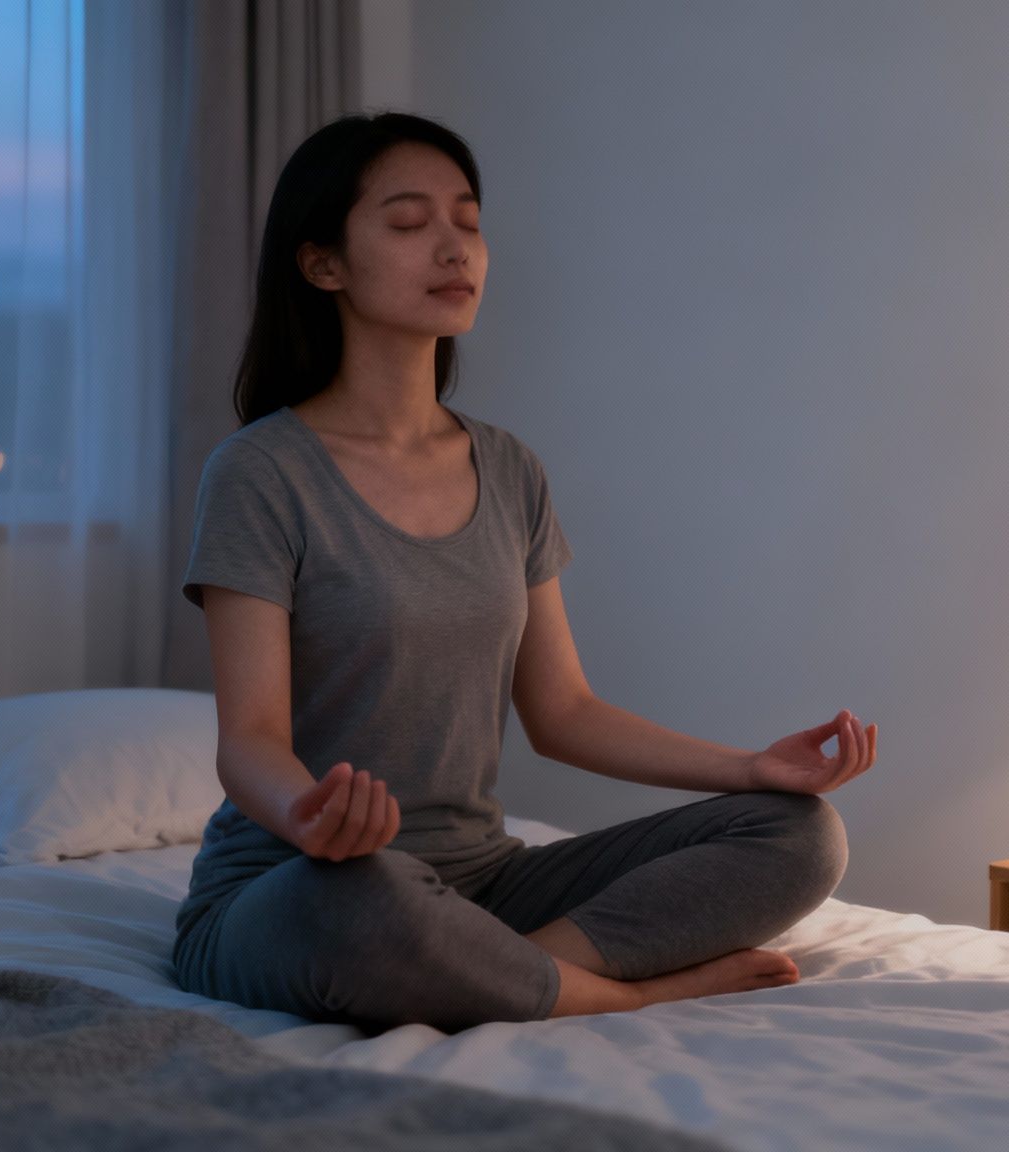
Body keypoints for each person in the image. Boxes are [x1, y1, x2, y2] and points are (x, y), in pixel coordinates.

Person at [170, 112, 877, 1034]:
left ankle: (490, 969)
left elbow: (564, 712)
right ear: (323, 263)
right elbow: (250, 739)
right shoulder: (261, 472)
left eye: (468, 221)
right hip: (302, 883)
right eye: (409, 221)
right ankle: (621, 993)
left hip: (484, 884)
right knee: (359, 898)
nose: (454, 246)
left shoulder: (508, 469)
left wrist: (749, 767)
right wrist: (308, 817)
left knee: (799, 833)